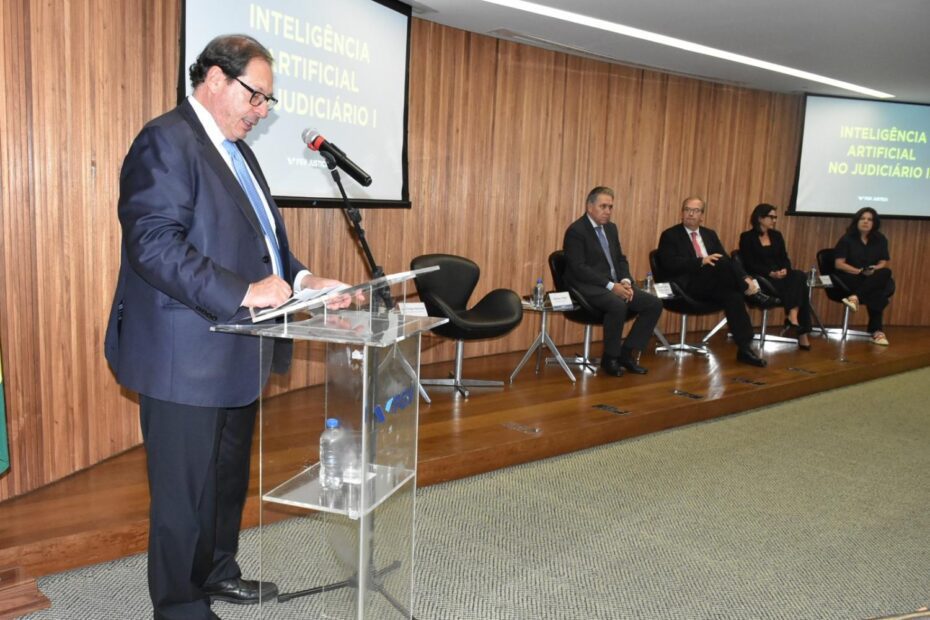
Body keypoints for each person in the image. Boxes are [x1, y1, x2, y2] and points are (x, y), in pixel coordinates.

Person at [104, 34, 352, 620]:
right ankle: (179, 605)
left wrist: (307, 280)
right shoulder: (166, 140)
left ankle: (216, 571)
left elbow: (260, 248)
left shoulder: (237, 151)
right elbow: (153, 245)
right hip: (184, 354)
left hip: (238, 350)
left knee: (223, 480)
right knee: (181, 495)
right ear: (214, 79)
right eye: (256, 96)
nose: (261, 111)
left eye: (267, 101)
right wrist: (241, 293)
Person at [657, 197, 777, 367]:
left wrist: (745, 277)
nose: (691, 213)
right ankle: (753, 294)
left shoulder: (709, 234)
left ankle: (744, 348)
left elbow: (728, 261)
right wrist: (701, 261)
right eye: (687, 209)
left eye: (696, 210)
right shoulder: (670, 235)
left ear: (702, 216)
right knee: (720, 263)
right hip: (687, 286)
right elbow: (669, 264)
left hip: (713, 285)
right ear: (682, 212)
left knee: (733, 295)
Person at [563, 186, 663, 376]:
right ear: (589, 207)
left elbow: (620, 259)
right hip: (587, 286)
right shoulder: (576, 231)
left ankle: (627, 353)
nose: (607, 211)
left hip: (615, 283)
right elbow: (579, 268)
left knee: (653, 304)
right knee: (617, 305)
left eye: (610, 207)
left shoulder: (611, 228)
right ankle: (610, 358)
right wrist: (611, 286)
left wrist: (625, 280)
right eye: (603, 206)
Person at [738, 203, 812, 350]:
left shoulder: (777, 236)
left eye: (775, 217)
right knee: (800, 290)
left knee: (799, 276)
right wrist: (770, 273)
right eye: (771, 217)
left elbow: (784, 258)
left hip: (781, 276)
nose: (774, 220)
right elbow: (748, 264)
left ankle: (793, 317)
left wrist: (785, 269)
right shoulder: (747, 237)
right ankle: (801, 331)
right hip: (762, 278)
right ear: (760, 218)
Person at [833, 207, 893, 346]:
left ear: (874, 223)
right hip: (849, 277)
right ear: (857, 221)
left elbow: (883, 262)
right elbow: (839, 264)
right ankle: (877, 331)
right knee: (878, 292)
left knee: (885, 272)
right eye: (862, 218)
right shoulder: (847, 239)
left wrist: (873, 269)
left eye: (869, 219)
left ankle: (855, 297)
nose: (866, 222)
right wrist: (859, 271)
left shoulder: (880, 239)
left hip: (870, 277)